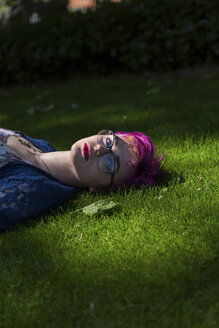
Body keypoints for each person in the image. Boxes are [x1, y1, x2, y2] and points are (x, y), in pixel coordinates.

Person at [0, 127, 165, 230]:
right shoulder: (42, 146)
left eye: (109, 163)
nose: (100, 149)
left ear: (102, 188)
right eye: (110, 141)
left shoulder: (31, 188)